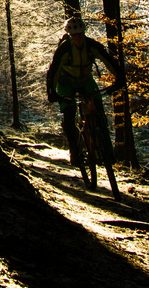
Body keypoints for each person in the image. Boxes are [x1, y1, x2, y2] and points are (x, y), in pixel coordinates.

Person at [46, 16, 123, 172]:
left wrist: (120, 78)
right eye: (74, 36)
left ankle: (106, 149)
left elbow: (108, 60)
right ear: (70, 35)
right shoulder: (64, 49)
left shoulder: (92, 45)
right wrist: (52, 91)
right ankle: (75, 150)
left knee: (98, 108)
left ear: (84, 33)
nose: (78, 38)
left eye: (80, 34)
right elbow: (53, 71)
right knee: (69, 114)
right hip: (66, 83)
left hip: (85, 80)